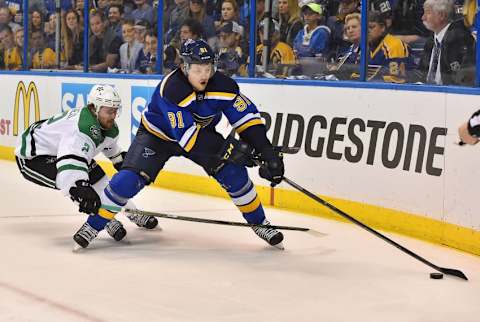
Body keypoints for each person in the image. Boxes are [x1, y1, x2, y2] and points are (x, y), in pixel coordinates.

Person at [98, 39, 286, 249]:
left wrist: (266, 151)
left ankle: (259, 223)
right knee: (128, 180)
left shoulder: (224, 86)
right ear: (184, 67)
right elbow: (187, 138)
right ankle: (93, 225)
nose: (204, 75)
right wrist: (230, 149)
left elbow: (247, 119)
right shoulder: (172, 88)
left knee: (234, 173)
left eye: (208, 68)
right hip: (157, 136)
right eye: (197, 69)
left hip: (200, 134)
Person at [14, 85, 158, 250]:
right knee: (79, 189)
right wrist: (80, 188)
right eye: (108, 111)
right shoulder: (80, 129)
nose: (113, 116)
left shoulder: (105, 126)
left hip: (64, 151)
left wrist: (125, 165)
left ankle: (133, 212)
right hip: (34, 157)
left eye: (115, 111)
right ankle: (105, 219)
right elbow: (69, 166)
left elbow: (110, 150)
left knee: (104, 183)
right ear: (94, 108)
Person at [419, 0, 475, 86]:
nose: (423, 17)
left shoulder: (460, 39)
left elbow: (463, 80)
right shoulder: (431, 41)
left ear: (441, 15)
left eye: (428, 13)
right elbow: (420, 73)